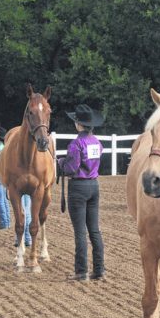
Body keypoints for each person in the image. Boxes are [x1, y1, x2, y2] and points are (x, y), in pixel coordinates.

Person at [57, 104, 105, 282]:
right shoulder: (96, 143)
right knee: (94, 230)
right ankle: (99, 270)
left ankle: (81, 271)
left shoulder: (76, 144)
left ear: (78, 124)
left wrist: (61, 162)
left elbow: (71, 168)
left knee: (80, 232)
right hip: (94, 185)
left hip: (78, 188)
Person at [0, 127, 10, 230]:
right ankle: (7, 221)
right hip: (5, 174)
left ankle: (3, 222)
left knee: (0, 199)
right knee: (5, 199)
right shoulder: (5, 147)